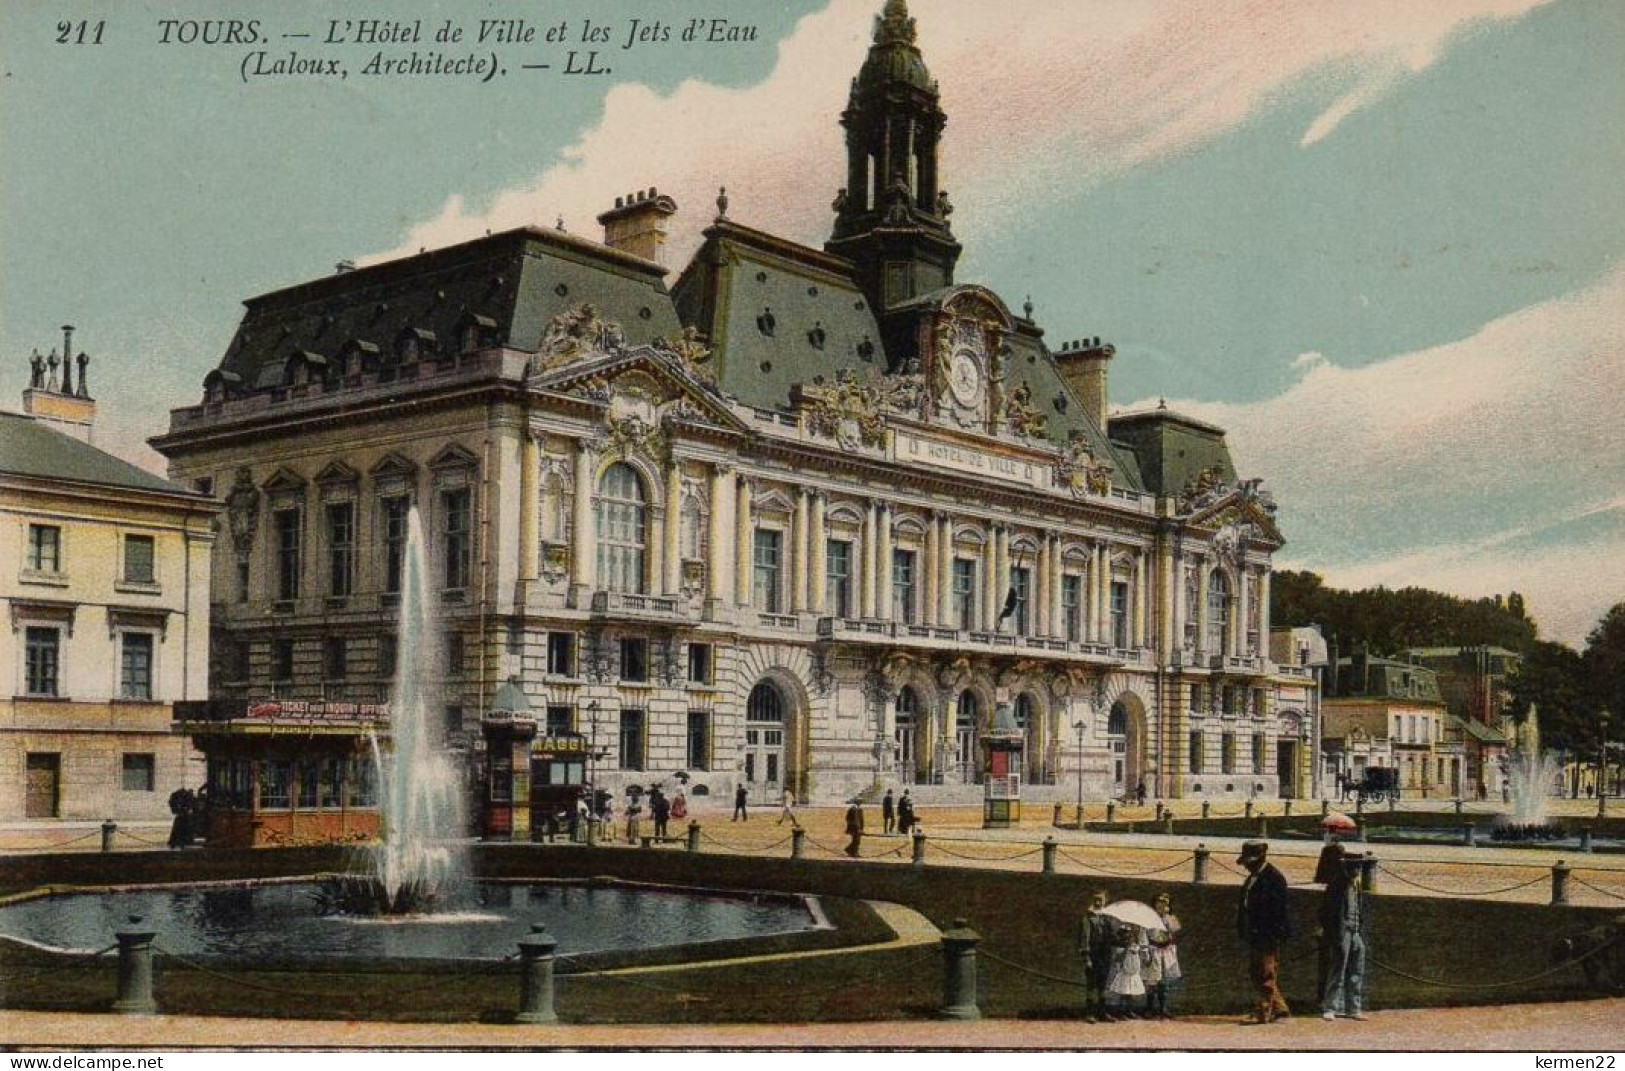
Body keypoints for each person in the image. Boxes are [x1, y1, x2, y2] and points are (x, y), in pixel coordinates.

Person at [1236, 839, 1294, 1024]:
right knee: (1257, 972)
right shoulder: (1255, 876)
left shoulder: (1274, 878)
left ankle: (1263, 1012)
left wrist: (1273, 935)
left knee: (1265, 973)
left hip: (1267, 934)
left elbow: (1278, 911)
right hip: (1255, 933)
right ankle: (1280, 1009)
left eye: (1249, 862)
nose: (1246, 866)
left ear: (1259, 859)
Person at [1320, 853, 1370, 1020]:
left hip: (1355, 931)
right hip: (1342, 932)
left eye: (1359, 867)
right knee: (1338, 969)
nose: (1357, 870)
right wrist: (1335, 934)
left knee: (1357, 969)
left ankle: (1353, 1008)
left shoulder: (1356, 884)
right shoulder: (1336, 885)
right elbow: (1327, 912)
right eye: (1355, 867)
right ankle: (1331, 1007)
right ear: (1346, 867)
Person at [1077, 889, 1114, 1021]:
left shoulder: (1107, 917)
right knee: (1091, 984)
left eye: (1101, 900)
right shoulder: (1088, 917)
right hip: (1093, 954)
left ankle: (1102, 1012)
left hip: (1105, 955)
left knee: (1103, 984)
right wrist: (1087, 957)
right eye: (1096, 900)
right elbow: (1085, 937)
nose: (1098, 902)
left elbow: (1112, 938)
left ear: (1105, 901)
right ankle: (1090, 1013)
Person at [1145, 892, 1182, 1018]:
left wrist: (1168, 925)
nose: (1162, 906)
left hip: (1166, 950)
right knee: (1152, 980)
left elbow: (1176, 934)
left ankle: (1162, 1008)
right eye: (1159, 903)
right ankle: (1149, 1008)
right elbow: (1146, 934)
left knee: (1164, 981)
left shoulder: (1171, 919)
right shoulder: (1150, 918)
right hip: (1154, 949)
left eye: (1165, 904)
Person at [1105, 923, 1148, 1018]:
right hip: (1124, 970)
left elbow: (1138, 954)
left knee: (1130, 991)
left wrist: (1139, 951)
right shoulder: (1121, 946)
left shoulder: (1135, 945)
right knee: (1123, 991)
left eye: (1130, 934)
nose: (1128, 936)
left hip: (1133, 969)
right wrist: (1126, 948)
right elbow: (1118, 958)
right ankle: (1120, 1011)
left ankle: (1129, 1010)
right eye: (1125, 934)